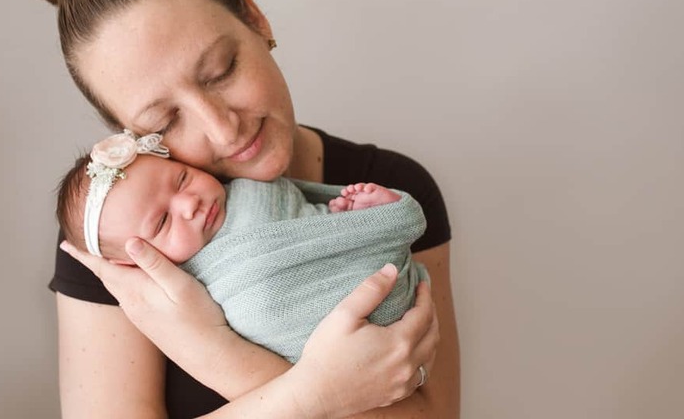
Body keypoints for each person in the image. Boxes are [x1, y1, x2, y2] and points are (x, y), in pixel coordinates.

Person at [24, 0, 459, 416]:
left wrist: (220, 354)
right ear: (129, 136)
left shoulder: (393, 189)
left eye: (220, 70)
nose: (222, 128)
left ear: (255, 18)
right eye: (164, 122)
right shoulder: (121, 244)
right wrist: (311, 394)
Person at [57, 130, 430, 363]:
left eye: (182, 179)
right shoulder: (182, 290)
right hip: (321, 334)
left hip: (368, 268)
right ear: (135, 262)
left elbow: (305, 212)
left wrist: (341, 218)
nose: (188, 204)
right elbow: (258, 313)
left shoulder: (250, 184)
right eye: (162, 222)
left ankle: (371, 215)